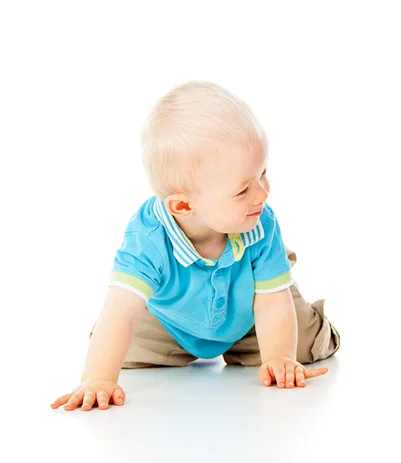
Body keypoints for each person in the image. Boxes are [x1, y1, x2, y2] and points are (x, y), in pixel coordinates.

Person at [51, 81, 340, 412]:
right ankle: (109, 359)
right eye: (243, 189)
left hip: (250, 314)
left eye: (262, 174)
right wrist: (99, 378)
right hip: (170, 321)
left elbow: (272, 303)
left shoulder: (260, 220)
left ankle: (308, 323)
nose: (262, 194)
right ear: (184, 207)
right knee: (116, 342)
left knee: (299, 344)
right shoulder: (148, 238)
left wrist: (278, 358)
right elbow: (122, 309)